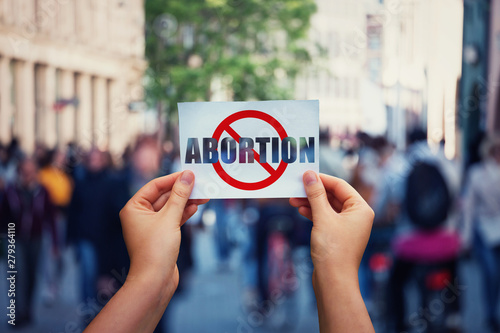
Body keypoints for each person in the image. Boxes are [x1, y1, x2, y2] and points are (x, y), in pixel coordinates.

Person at [83, 170, 375, 333]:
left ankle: (257, 292)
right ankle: (258, 291)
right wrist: (338, 275)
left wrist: (150, 278)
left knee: (254, 257)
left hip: (272, 222)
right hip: (274, 222)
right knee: (253, 256)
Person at [0, 158, 57, 327]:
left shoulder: (42, 191)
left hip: (36, 239)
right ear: (19, 172)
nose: (28, 175)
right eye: (25, 171)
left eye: (31, 171)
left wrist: (55, 243)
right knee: (16, 274)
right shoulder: (10, 191)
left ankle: (27, 309)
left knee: (31, 275)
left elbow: (51, 218)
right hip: (13, 238)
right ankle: (14, 313)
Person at [463, 136, 500, 332]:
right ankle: (490, 314)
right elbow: (470, 207)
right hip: (486, 231)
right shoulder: (477, 174)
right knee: (491, 273)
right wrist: (466, 237)